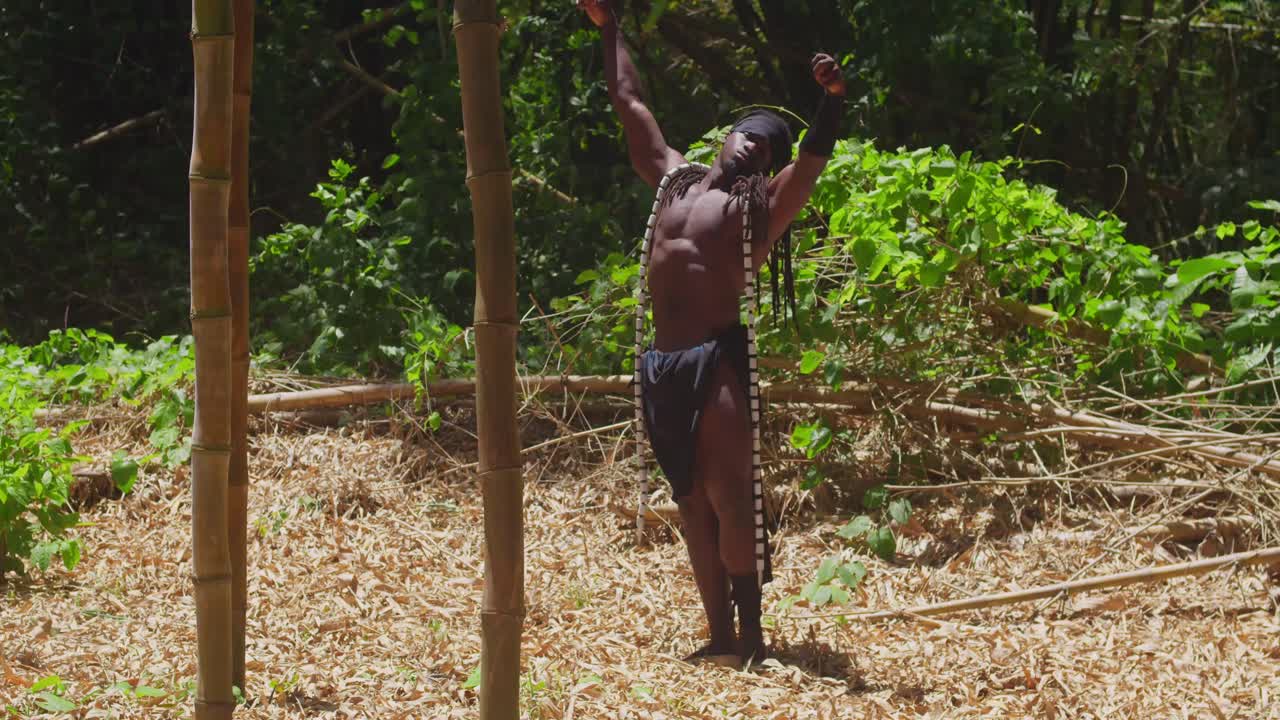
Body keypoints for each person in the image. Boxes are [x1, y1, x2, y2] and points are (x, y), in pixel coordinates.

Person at [579, 0, 846, 664]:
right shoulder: (672, 180)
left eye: (766, 147)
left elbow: (811, 163)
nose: (755, 144)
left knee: (730, 495)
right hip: (662, 364)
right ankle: (719, 637)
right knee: (691, 502)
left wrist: (832, 101)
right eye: (749, 134)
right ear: (726, 137)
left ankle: (752, 636)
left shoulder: (757, 210)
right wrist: (610, 29)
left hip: (716, 360)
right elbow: (630, 103)